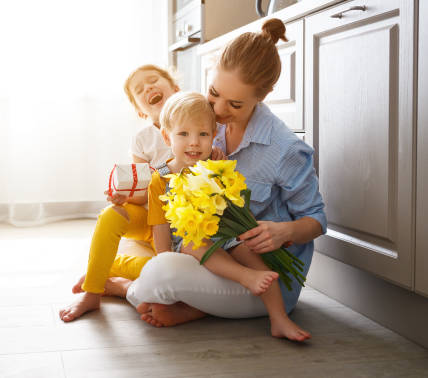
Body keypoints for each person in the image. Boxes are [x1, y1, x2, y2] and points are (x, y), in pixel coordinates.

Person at [107, 19, 327, 341]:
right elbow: (166, 174)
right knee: (163, 265)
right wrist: (126, 194)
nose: (219, 111)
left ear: (262, 97)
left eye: (235, 104)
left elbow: (318, 220)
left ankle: (149, 294)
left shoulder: (285, 149)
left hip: (267, 277)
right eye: (214, 94)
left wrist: (286, 231)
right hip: (214, 254)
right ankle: (178, 303)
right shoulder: (205, 120)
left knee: (160, 274)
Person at [59, 65, 225, 322]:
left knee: (180, 266)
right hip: (153, 220)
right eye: (140, 90)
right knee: (111, 215)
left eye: (153, 80)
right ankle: (92, 292)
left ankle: (111, 271)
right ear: (140, 109)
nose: (148, 87)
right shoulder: (142, 139)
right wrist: (125, 197)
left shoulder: (201, 125)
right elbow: (143, 189)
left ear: (175, 89)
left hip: (191, 227)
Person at [149, 91, 310, 341]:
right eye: (183, 134)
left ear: (214, 136)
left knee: (250, 251)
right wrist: (163, 263)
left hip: (225, 237)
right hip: (188, 246)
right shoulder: (160, 179)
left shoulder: (215, 166)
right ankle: (246, 278)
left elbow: (234, 208)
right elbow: (160, 228)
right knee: (196, 243)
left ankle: (279, 318)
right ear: (166, 135)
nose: (194, 143)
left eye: (202, 134)